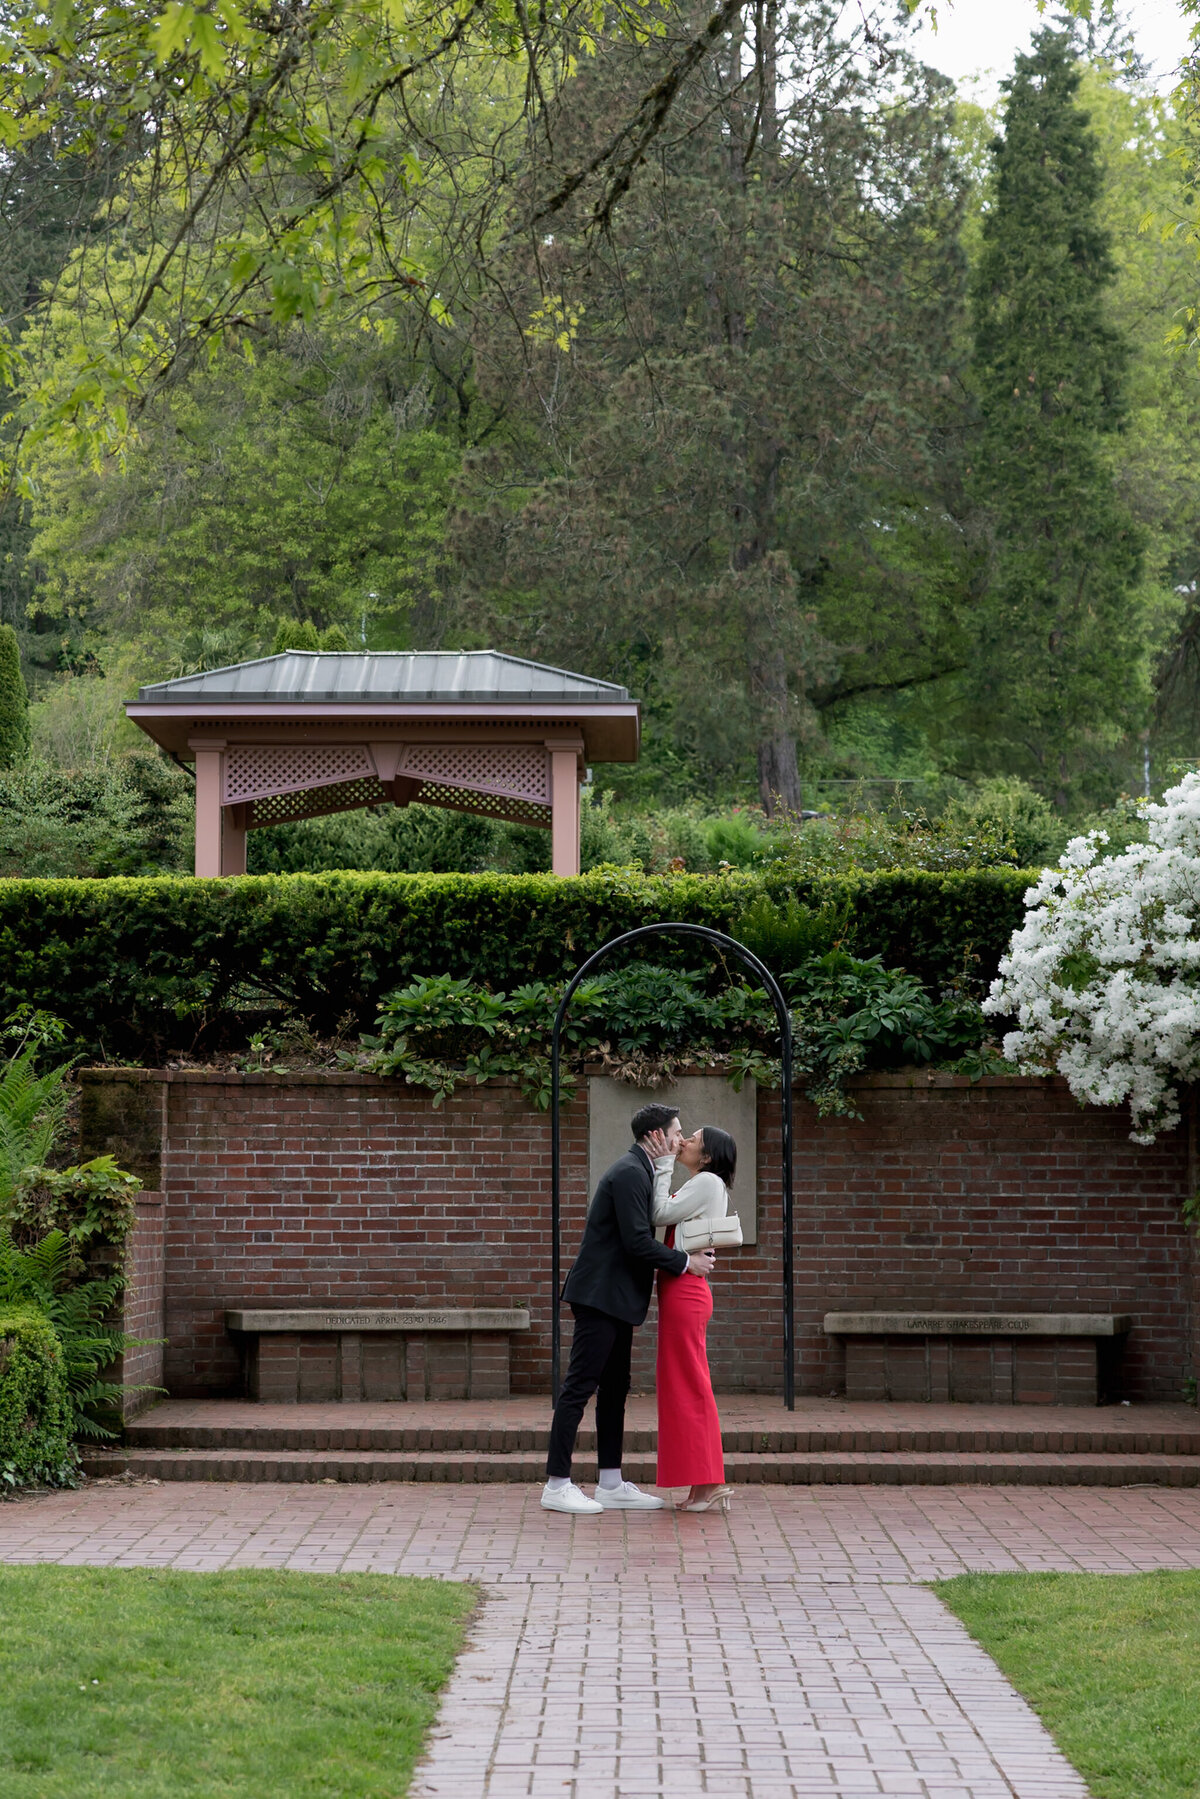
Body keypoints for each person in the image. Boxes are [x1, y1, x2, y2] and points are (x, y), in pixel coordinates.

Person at [541, 1102, 717, 1515]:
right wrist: (685, 1262)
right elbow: (638, 1241)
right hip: (599, 1297)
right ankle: (557, 1483)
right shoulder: (628, 1172)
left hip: (617, 1300)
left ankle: (610, 1482)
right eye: (676, 1133)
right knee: (578, 1388)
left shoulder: (641, 1171)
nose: (680, 1140)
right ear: (655, 1136)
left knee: (615, 1389)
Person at [652, 1125, 738, 1512]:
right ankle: (702, 1483)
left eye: (693, 1140)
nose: (683, 1141)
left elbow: (659, 1213)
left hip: (686, 1293)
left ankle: (709, 1483)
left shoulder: (706, 1181)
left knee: (691, 1386)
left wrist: (662, 1164)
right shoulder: (703, 1183)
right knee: (683, 1386)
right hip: (682, 1292)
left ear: (706, 1156)